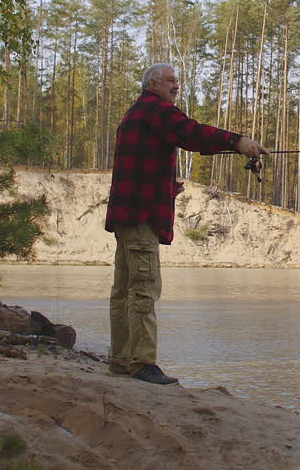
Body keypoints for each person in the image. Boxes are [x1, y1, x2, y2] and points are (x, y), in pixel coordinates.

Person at [105, 62, 269, 384]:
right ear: (152, 83)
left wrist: (168, 188)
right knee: (143, 290)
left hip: (128, 215)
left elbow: (142, 168)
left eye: (177, 83)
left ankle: (121, 360)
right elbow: (192, 133)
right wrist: (238, 142)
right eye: (170, 82)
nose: (176, 87)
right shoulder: (156, 110)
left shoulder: (136, 114)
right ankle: (141, 364)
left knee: (124, 291)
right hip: (140, 218)